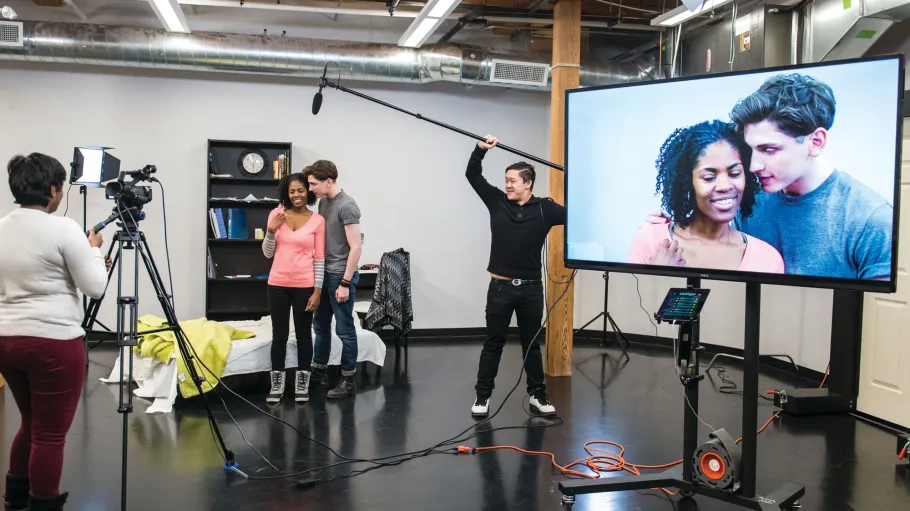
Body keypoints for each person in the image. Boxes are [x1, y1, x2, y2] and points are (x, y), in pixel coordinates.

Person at [646, 73, 892, 280]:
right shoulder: (751, 197)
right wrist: (670, 230)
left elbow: (876, 318)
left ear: (815, 142)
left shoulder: (871, 220)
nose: (752, 166)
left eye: (769, 149)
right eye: (749, 150)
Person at [0, 153, 110, 511]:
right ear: (52, 190)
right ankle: (44, 505)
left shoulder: (2, 227)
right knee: (49, 435)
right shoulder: (62, 228)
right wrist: (94, 253)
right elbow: (94, 286)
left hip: (7, 340)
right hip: (53, 343)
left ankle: (15, 501)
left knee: (30, 423)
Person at [467, 135, 564, 418]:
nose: (507, 184)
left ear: (528, 183)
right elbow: (473, 175)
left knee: (532, 345)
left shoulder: (546, 208)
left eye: (513, 180)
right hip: (500, 288)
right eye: (506, 179)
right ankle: (482, 397)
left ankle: (537, 395)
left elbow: (577, 214)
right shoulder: (497, 201)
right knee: (493, 344)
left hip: (531, 290)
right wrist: (479, 151)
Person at [629, 120, 784, 273]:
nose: (725, 186)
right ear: (687, 182)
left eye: (735, 173)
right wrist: (655, 276)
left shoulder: (767, 259)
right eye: (709, 177)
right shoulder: (650, 242)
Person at [261, 172, 325, 404]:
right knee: (278, 336)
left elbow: (319, 258)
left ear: (307, 192)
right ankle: (277, 385)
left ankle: (302, 385)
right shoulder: (276, 214)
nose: (296, 195)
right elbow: (267, 253)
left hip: (304, 286)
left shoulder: (318, 221)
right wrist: (270, 230)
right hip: (277, 284)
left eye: (300, 190)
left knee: (304, 336)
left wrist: (317, 290)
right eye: (292, 191)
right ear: (286, 193)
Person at [304, 160, 362, 399]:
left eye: (313, 184)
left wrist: (345, 283)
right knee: (320, 325)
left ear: (329, 181)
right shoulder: (324, 203)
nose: (311, 189)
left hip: (340, 274)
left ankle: (348, 379)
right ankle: (319, 372)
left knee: (345, 329)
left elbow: (356, 247)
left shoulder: (347, 205)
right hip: (326, 272)